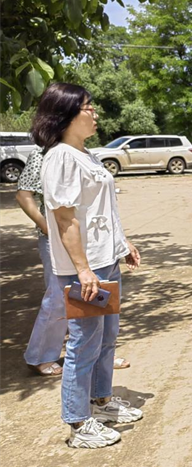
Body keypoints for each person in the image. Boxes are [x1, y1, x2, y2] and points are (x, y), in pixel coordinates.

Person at [34, 83, 142, 449]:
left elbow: (99, 211)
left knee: (106, 338)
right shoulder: (60, 157)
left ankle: (101, 401)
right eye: (88, 108)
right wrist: (82, 269)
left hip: (104, 261)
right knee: (83, 344)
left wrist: (121, 242)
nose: (94, 113)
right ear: (65, 114)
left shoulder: (86, 154)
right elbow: (65, 220)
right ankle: (79, 423)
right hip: (86, 269)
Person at [17, 149, 131, 377]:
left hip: (90, 238)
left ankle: (101, 355)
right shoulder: (44, 154)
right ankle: (41, 356)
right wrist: (46, 227)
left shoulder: (86, 154)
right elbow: (23, 195)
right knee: (59, 296)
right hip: (59, 237)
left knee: (96, 292)